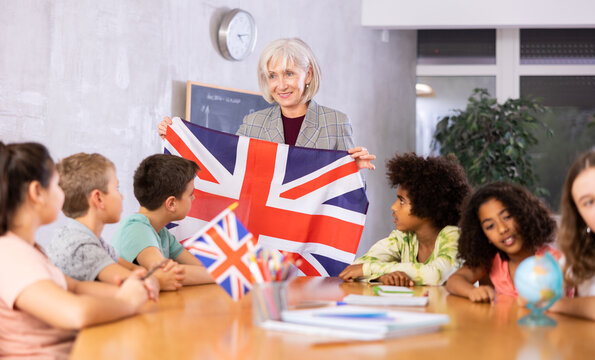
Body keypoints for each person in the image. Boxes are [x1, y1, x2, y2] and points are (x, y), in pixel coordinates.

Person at [0, 142, 154, 358]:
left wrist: (135, 290)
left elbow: (75, 287)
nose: (63, 193)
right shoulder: (11, 256)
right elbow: (75, 312)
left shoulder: (29, 249)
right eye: (57, 185)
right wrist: (126, 302)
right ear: (37, 192)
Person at [158, 38, 375, 170]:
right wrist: (178, 140)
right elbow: (222, 164)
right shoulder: (253, 124)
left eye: (289, 74)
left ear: (308, 75)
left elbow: (349, 199)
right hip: (266, 236)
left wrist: (353, 172)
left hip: (313, 237)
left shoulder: (336, 123)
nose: (281, 85)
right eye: (272, 76)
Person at [45, 153, 178, 291]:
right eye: (116, 188)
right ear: (98, 199)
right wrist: (159, 280)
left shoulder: (89, 238)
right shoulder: (81, 247)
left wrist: (155, 274)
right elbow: (138, 286)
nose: (121, 196)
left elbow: (133, 269)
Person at [339, 153, 471, 285]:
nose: (394, 207)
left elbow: (435, 275)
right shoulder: (403, 238)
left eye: (402, 201)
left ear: (427, 206)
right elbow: (355, 268)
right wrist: (382, 277)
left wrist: (369, 269)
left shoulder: (453, 236)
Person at [111, 154, 214, 288]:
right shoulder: (136, 229)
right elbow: (166, 273)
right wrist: (221, 275)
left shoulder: (162, 233)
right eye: (190, 194)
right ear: (171, 203)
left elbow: (199, 265)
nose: (193, 198)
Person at [446, 182, 560, 302]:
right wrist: (471, 291)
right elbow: (454, 281)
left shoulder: (551, 260)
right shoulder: (494, 262)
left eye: (507, 217)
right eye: (490, 226)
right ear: (483, 236)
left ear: (523, 215)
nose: (502, 229)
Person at [549, 150, 595, 320]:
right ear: (579, 216)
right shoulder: (580, 251)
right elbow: (539, 292)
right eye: (589, 202)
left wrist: (557, 304)